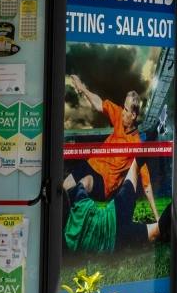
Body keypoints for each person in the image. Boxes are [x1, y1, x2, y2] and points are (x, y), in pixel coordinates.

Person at [65, 74, 162, 246]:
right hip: (90, 164)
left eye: (126, 109)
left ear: (133, 115)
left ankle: (81, 237)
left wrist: (156, 216)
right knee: (63, 189)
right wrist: (83, 88)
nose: (122, 111)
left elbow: (146, 184)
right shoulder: (118, 115)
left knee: (84, 183)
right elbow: (99, 103)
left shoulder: (136, 143)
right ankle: (63, 226)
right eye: (123, 108)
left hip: (104, 182)